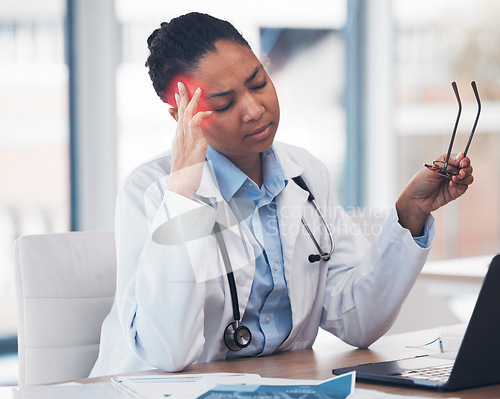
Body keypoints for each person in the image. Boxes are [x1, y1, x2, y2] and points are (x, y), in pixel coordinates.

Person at [90, 12, 473, 376]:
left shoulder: (305, 174)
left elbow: (359, 320)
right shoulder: (151, 190)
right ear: (182, 115)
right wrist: (183, 192)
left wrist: (411, 211)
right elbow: (168, 352)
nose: (255, 110)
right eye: (224, 103)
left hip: (276, 390)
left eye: (258, 82)